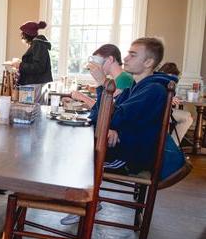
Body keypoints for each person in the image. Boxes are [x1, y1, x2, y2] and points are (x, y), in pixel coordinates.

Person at [62, 37, 177, 225]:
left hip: (130, 156)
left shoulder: (153, 90)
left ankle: (82, 201)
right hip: (122, 146)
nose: (126, 58)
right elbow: (100, 116)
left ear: (148, 62)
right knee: (73, 143)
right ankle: (81, 198)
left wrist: (102, 85)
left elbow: (110, 116)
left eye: (133, 54)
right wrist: (112, 125)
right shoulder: (136, 86)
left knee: (76, 154)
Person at [68, 44, 134, 108]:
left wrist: (82, 97)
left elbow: (105, 109)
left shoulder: (123, 79)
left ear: (110, 59)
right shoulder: (119, 78)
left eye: (99, 62)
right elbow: (102, 107)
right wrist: (77, 104)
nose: (97, 66)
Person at [12, 20, 53, 104]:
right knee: (35, 111)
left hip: (34, 84)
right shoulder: (38, 44)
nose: (22, 36)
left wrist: (20, 65)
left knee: (29, 111)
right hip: (36, 84)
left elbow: (38, 67)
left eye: (23, 34)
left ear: (27, 34)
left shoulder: (37, 45)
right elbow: (37, 64)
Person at [158, 62, 193, 145]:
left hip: (163, 110)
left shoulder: (158, 79)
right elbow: (157, 96)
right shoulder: (160, 82)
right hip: (158, 112)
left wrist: (170, 99)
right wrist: (168, 99)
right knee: (188, 117)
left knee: (188, 116)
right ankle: (172, 147)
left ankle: (172, 147)